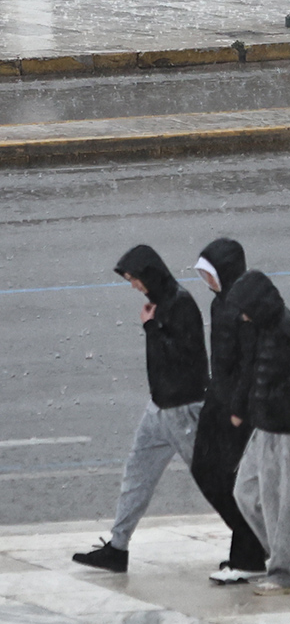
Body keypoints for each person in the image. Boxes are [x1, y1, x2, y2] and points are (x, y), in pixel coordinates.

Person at [73, 246, 209, 574]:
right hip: (160, 407)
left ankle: (270, 543)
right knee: (137, 474)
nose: (133, 286)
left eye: (135, 279)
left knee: (217, 481)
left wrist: (150, 327)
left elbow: (181, 357)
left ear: (150, 274)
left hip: (183, 409)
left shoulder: (180, 304)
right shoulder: (163, 303)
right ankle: (117, 547)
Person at [228, 271, 290, 596]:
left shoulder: (287, 329)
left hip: (282, 426)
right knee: (245, 492)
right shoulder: (264, 326)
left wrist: (277, 401)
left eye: (245, 309)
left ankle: (287, 572)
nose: (242, 316)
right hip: (264, 423)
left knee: (274, 500)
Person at [192, 239, 270, 585]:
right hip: (218, 401)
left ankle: (249, 554)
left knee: (231, 479)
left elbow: (248, 363)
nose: (207, 281)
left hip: (237, 409)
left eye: (210, 273)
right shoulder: (219, 304)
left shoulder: (244, 309)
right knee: (206, 470)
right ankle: (255, 540)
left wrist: (239, 409)